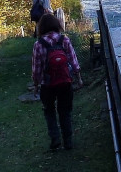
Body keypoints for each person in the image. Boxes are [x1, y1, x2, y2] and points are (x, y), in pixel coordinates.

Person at [32, 14, 83, 150]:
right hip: (65, 81)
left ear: (41, 27)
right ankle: (68, 141)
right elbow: (74, 61)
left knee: (49, 111)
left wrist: (36, 85)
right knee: (65, 111)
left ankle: (55, 139)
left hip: (47, 84)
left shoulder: (38, 44)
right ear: (56, 25)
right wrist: (79, 79)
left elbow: (37, 68)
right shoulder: (64, 40)